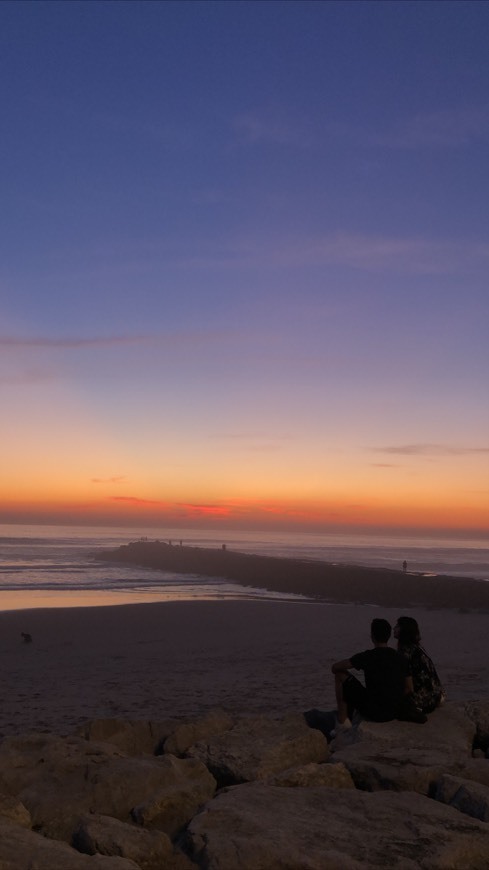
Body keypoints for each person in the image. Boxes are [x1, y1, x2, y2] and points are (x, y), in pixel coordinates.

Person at [331, 618, 410, 732]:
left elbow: (335, 667)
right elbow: (408, 688)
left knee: (340, 675)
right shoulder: (400, 658)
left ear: (372, 636)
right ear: (388, 636)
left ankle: (342, 722)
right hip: (394, 712)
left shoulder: (368, 656)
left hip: (374, 712)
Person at [394, 616, 445, 714]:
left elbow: (409, 688)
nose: (394, 628)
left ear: (404, 630)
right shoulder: (418, 648)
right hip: (436, 697)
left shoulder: (405, 652)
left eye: (397, 626)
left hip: (423, 701)